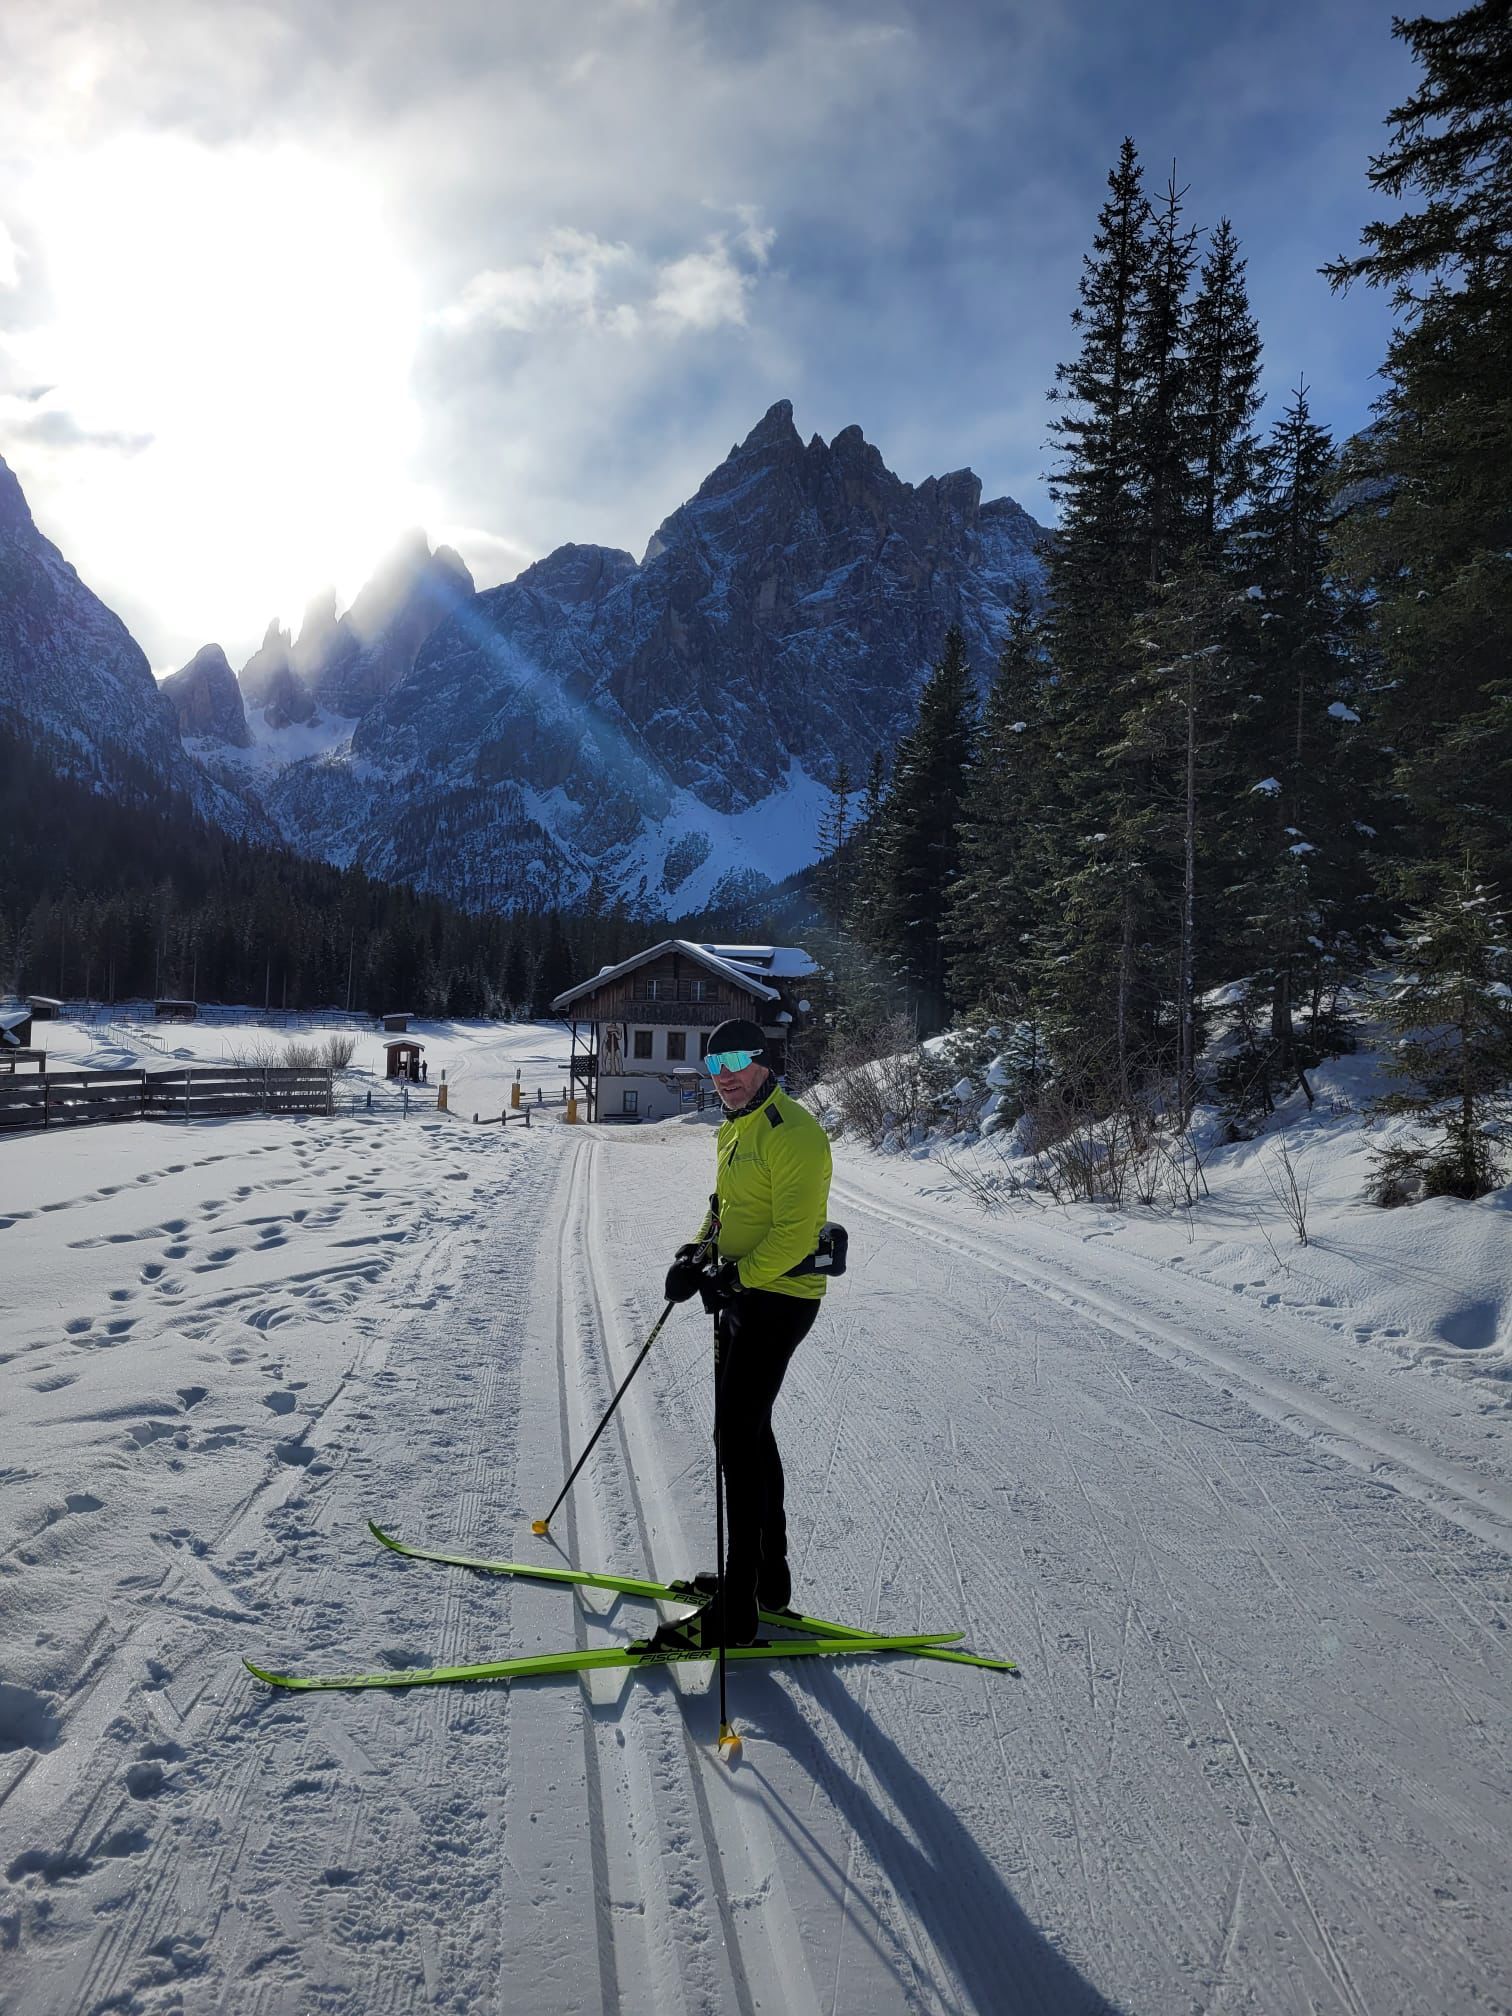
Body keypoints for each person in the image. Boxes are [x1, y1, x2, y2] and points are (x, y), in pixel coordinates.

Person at [663, 1017, 832, 1645]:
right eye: (714, 1064)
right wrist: (698, 1252)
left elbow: (794, 1231)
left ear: (764, 1062)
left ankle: (740, 1605)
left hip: (781, 1297)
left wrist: (735, 1280)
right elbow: (726, 1205)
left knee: (736, 1436)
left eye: (736, 1060)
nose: (725, 1075)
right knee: (746, 1429)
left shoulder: (795, 1134)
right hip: (744, 1289)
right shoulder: (736, 1128)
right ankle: (767, 1580)